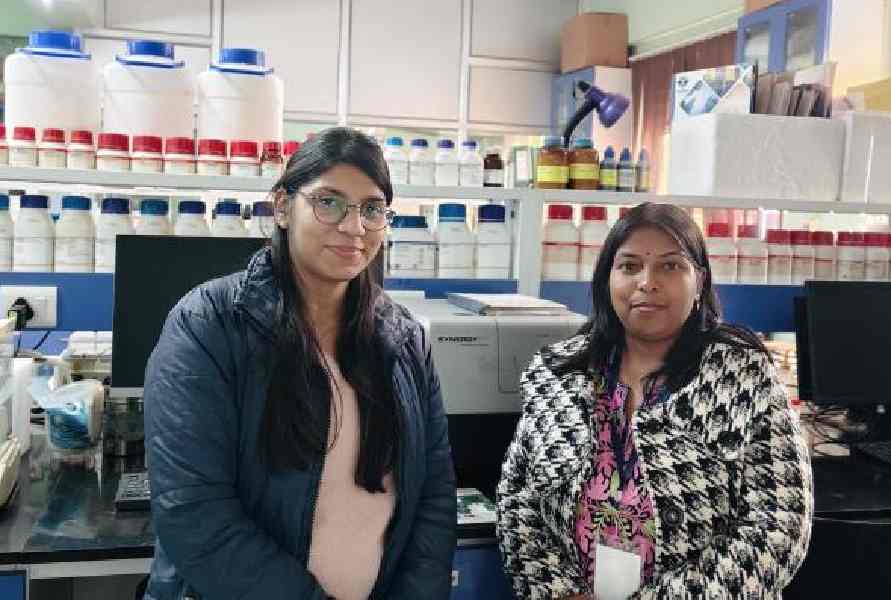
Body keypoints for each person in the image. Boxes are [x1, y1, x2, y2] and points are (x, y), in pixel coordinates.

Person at [142, 127, 457, 600]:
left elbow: (433, 495)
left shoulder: (405, 339)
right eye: (329, 202)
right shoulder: (208, 325)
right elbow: (193, 511)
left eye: (372, 209)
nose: (354, 227)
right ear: (283, 207)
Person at [497, 203, 813, 599]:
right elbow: (519, 499)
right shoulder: (558, 374)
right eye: (629, 266)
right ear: (607, 279)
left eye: (670, 266)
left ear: (699, 281)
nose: (647, 282)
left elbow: (779, 527)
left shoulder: (743, 376)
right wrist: (558, 592)